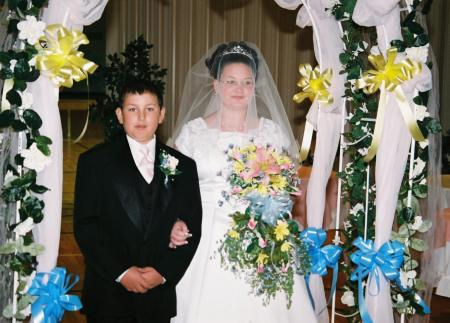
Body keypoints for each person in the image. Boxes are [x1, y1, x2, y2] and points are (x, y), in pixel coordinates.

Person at [170, 42, 318, 323]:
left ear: (255, 86)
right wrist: (176, 223)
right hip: (205, 236)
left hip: (260, 236)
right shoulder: (193, 133)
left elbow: (285, 187)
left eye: (246, 82)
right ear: (215, 85)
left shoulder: (270, 132)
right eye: (231, 82)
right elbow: (175, 191)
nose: (239, 89)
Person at [74, 79, 202, 323]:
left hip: (158, 297)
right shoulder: (94, 163)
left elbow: (192, 225)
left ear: (162, 114)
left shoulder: (183, 165)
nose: (141, 116)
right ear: (120, 115)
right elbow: (86, 226)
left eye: (150, 109)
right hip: (109, 294)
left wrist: (164, 273)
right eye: (133, 109)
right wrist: (121, 273)